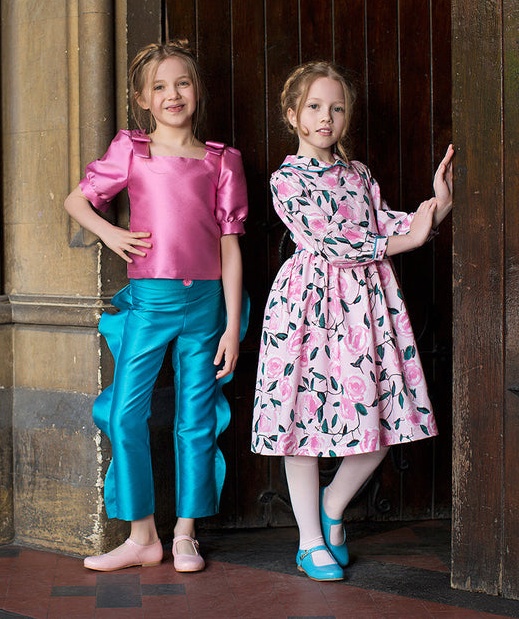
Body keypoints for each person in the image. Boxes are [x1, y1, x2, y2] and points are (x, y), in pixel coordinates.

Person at [251, 61, 453, 582]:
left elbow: (386, 224)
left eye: (336, 108)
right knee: (301, 423)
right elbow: (331, 242)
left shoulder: (358, 173)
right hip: (309, 308)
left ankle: (332, 507)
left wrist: (437, 207)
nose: (326, 117)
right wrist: (400, 241)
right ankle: (310, 541)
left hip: (367, 306)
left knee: (382, 417)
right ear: (292, 114)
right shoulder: (286, 179)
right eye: (315, 107)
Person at [65, 40, 248, 573]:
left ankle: (186, 533)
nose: (173, 94)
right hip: (151, 300)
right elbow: (78, 199)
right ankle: (142, 536)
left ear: (197, 92)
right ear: (143, 99)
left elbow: (230, 247)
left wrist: (233, 327)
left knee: (195, 419)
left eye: (183, 84)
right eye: (161, 87)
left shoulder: (222, 160)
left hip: (207, 303)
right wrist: (111, 234)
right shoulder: (132, 150)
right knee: (126, 415)